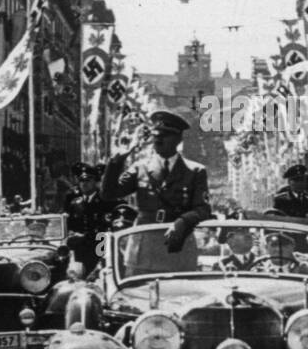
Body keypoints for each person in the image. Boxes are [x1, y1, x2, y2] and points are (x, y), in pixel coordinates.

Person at [101, 109, 211, 269]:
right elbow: (108, 194)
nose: (157, 140)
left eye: (164, 136)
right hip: (144, 250)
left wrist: (183, 220)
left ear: (178, 139)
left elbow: (203, 209)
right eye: (155, 136)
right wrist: (116, 162)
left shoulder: (195, 171)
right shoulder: (140, 168)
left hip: (178, 247)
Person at [64, 162, 111, 273]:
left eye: (88, 180)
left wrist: (85, 237)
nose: (84, 184)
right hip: (80, 250)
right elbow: (71, 226)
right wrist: (71, 235)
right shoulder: (75, 203)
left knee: (99, 275)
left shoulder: (104, 202)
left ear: (95, 182)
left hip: (99, 248)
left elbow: (105, 229)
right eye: (81, 181)